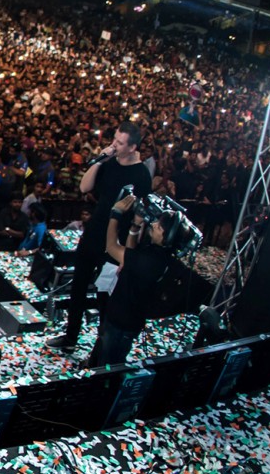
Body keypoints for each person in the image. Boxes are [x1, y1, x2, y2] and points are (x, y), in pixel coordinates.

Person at [48, 122, 151, 352]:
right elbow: (85, 187)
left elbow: (141, 219)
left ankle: (101, 347)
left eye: (120, 143)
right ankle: (71, 337)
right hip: (94, 233)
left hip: (116, 242)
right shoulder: (109, 163)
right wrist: (99, 161)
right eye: (114, 139)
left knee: (105, 295)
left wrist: (128, 253)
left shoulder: (142, 175)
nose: (114, 145)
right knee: (78, 286)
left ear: (132, 147)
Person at [87, 193, 187, 367]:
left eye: (159, 227)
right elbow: (130, 253)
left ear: (167, 237)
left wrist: (115, 214)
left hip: (121, 320)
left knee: (108, 363)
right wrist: (135, 226)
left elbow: (112, 247)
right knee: (109, 353)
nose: (153, 225)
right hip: (130, 319)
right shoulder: (161, 254)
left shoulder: (150, 261)